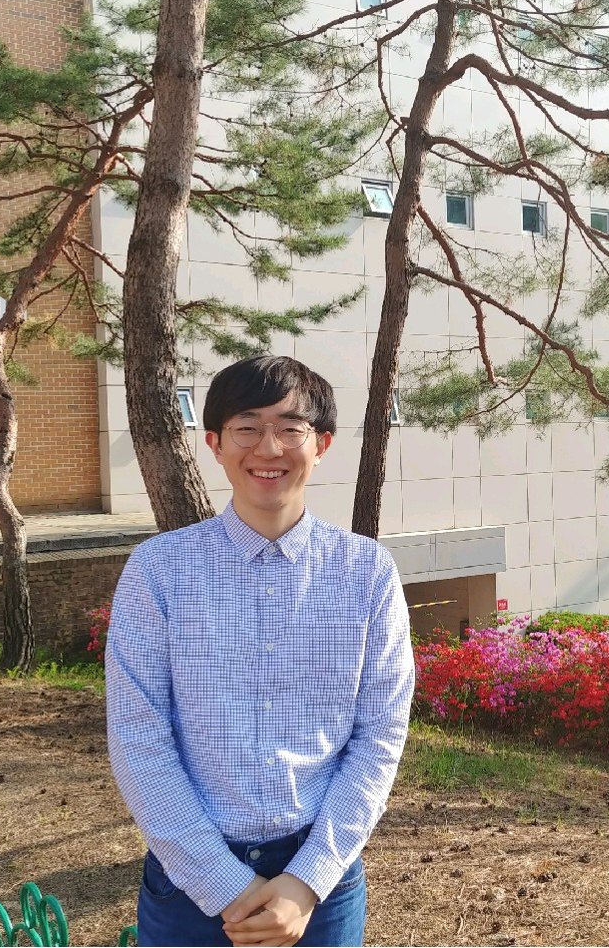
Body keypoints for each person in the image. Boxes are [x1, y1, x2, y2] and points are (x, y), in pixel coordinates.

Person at [106, 355, 415, 947]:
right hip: (189, 882)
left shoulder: (367, 572)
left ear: (321, 444)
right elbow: (138, 738)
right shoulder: (159, 571)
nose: (268, 448)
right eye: (247, 427)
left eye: (290, 428)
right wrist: (224, 884)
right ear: (215, 443)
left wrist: (306, 881)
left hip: (321, 882)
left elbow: (380, 733)